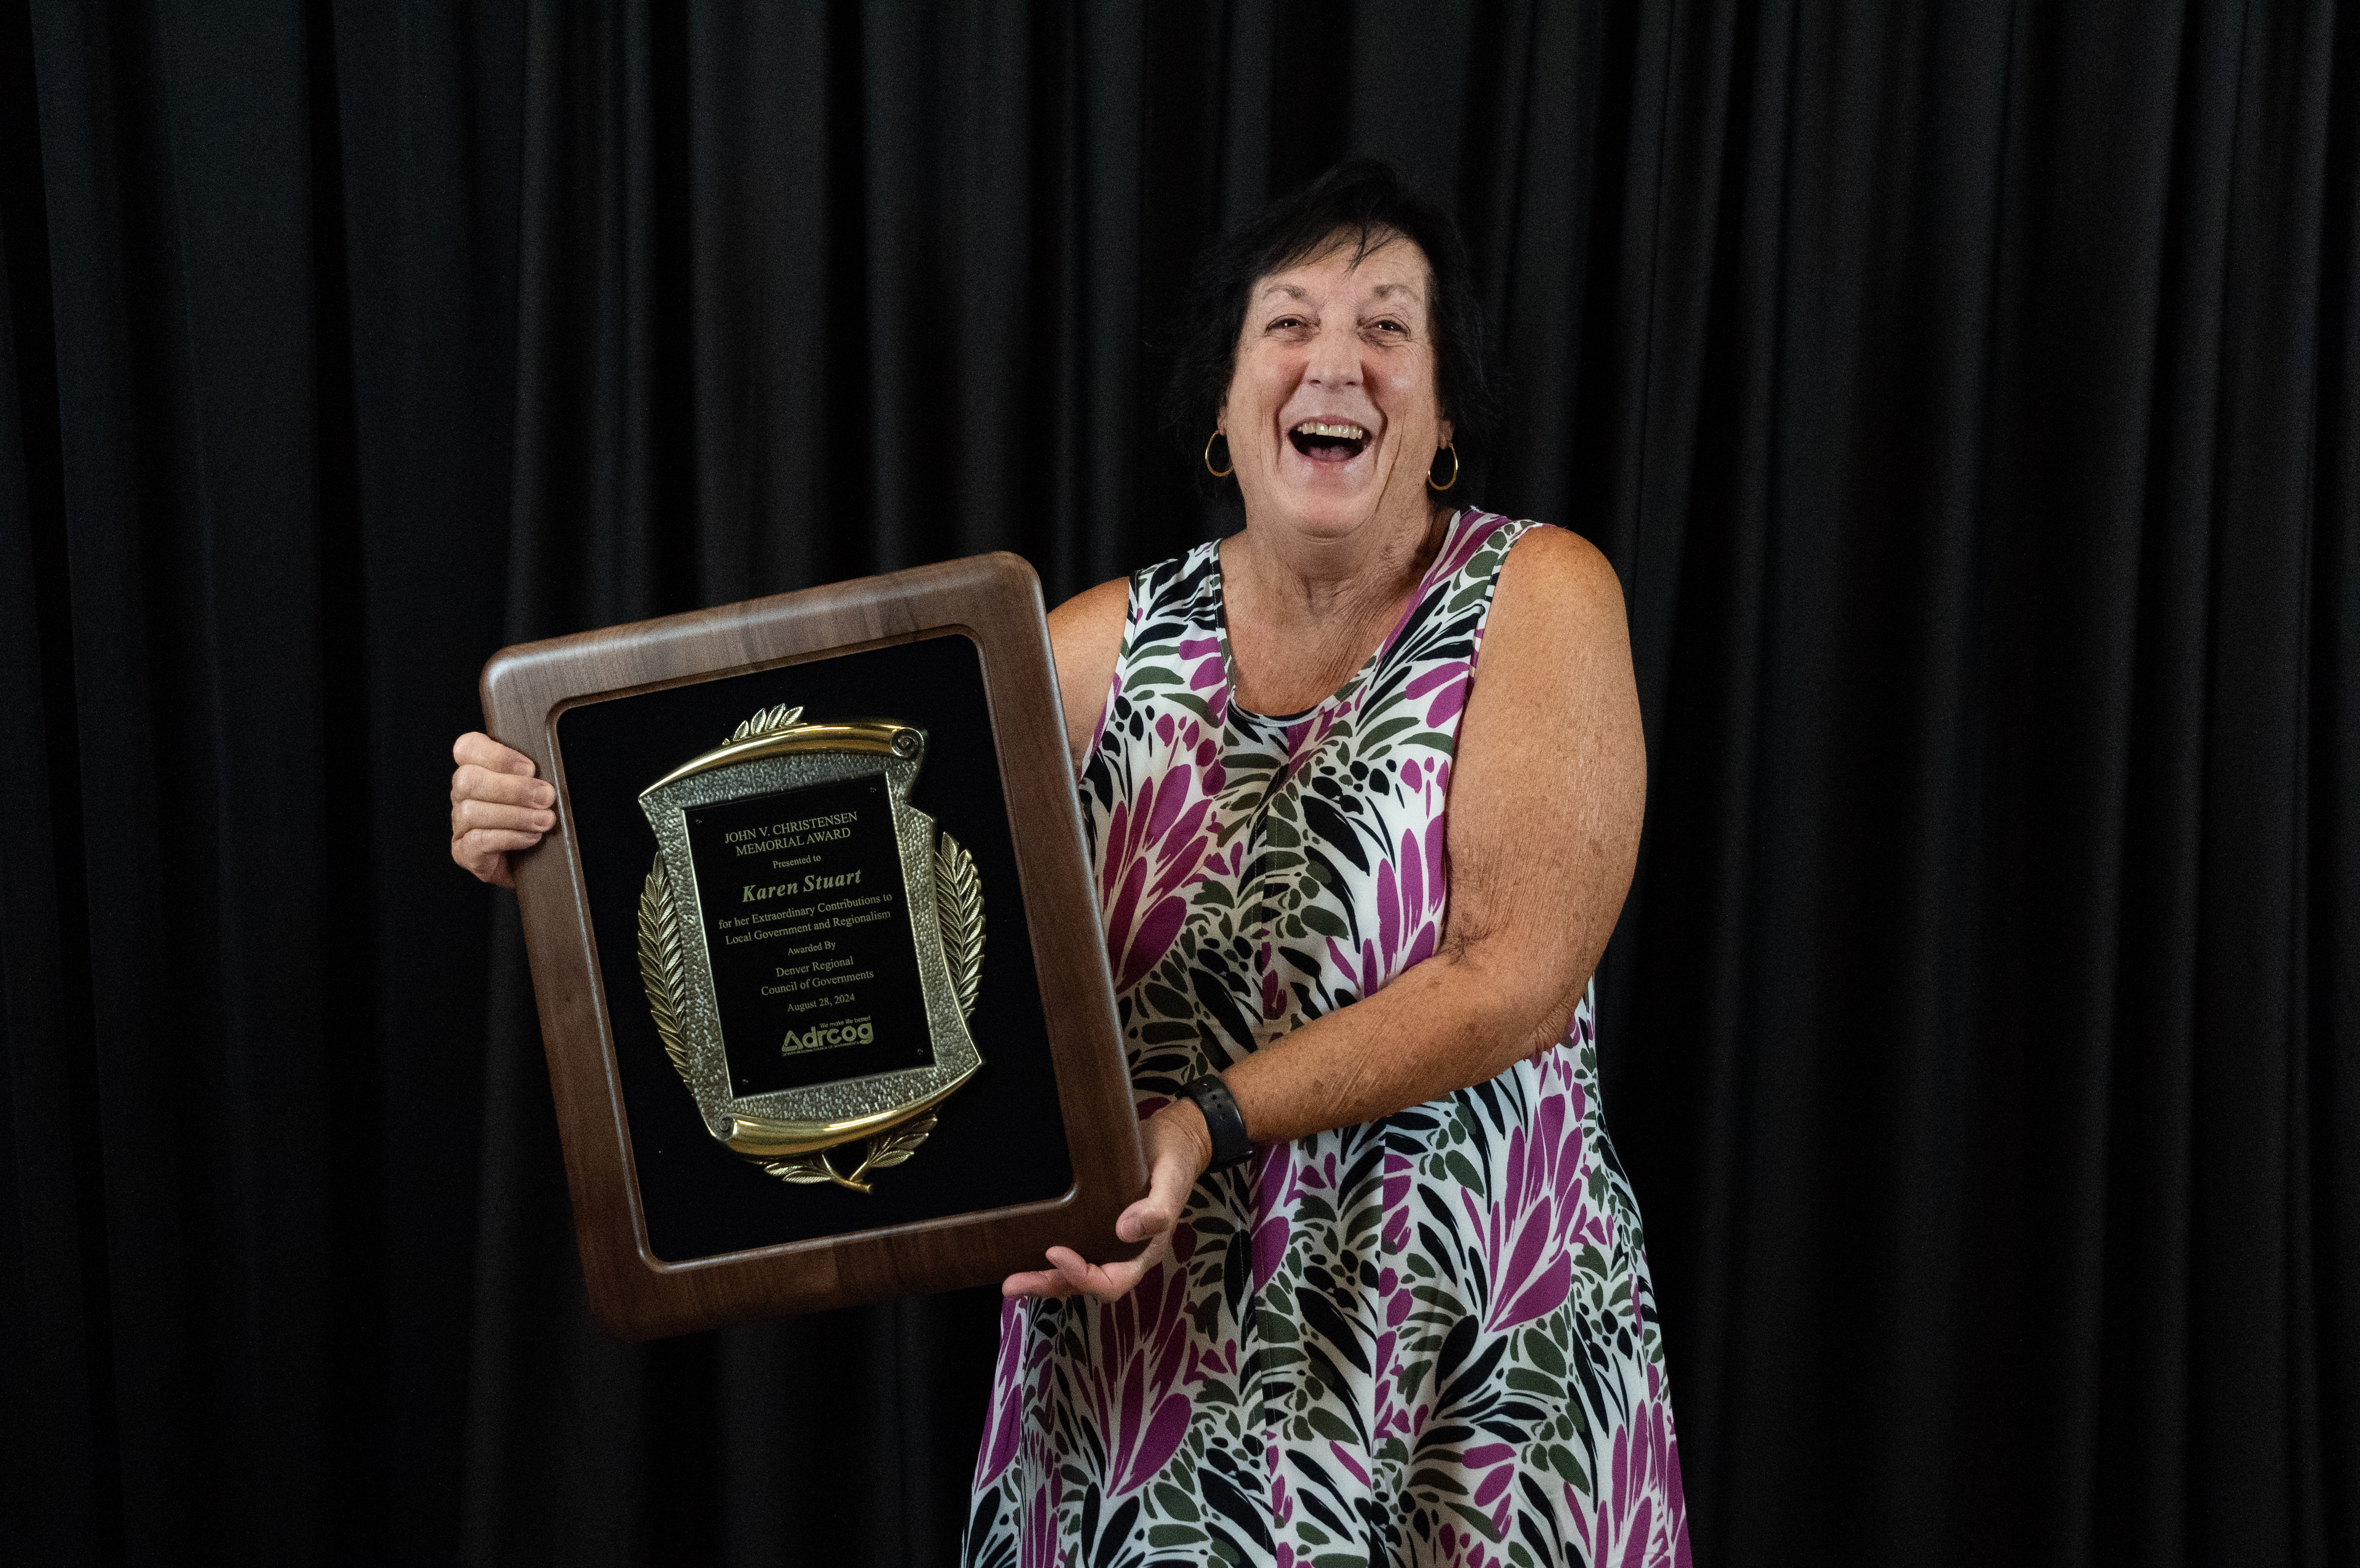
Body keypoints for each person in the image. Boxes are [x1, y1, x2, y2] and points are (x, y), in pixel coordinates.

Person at [450, 160, 1687, 1568]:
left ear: (1447, 409)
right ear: (1224, 408)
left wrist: (1201, 1122)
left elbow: (1516, 978)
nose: (1333, 359)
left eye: (1388, 327)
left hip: (1462, 1343)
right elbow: (787, 828)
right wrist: (559, 822)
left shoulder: (1536, 594)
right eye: (1287, 322)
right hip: (1150, 1347)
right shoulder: (1098, 645)